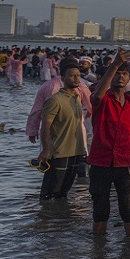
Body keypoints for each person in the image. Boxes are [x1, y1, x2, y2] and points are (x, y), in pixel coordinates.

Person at [86, 51, 130, 238]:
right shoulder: (102, 99)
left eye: (124, 74)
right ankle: (98, 254)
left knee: (129, 211)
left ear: (129, 78)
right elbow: (97, 96)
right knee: (100, 211)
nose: (120, 77)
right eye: (116, 74)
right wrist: (113, 65)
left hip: (125, 163)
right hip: (100, 162)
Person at [36, 64, 87, 200]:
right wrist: (46, 149)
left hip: (75, 151)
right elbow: (45, 126)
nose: (76, 79)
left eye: (78, 75)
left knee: (63, 193)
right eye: (72, 76)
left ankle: (61, 219)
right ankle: (45, 218)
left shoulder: (76, 99)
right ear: (63, 78)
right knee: (50, 193)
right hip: (59, 153)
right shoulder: (55, 100)